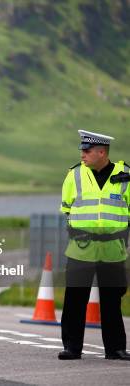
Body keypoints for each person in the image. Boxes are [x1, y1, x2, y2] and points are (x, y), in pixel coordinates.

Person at [58, 130, 130, 361]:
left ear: (102, 152)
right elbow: (67, 208)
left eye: (87, 151)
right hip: (81, 248)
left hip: (113, 249)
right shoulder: (74, 175)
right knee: (75, 300)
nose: (82, 154)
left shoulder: (125, 176)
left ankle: (116, 348)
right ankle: (72, 347)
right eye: (82, 150)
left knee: (111, 300)